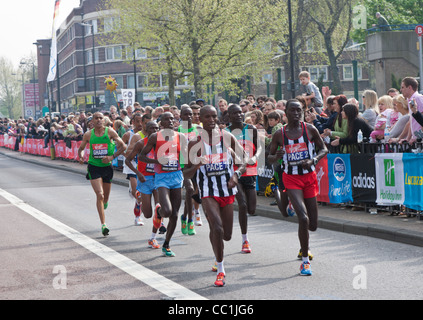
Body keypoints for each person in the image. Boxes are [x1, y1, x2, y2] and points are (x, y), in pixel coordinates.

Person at [184, 105, 247, 287]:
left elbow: (243, 161)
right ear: (200, 120)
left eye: (214, 116)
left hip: (227, 191)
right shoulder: (194, 143)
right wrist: (196, 166)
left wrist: (236, 175)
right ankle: (220, 269)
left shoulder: (227, 137)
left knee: (225, 235)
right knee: (217, 228)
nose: (211, 120)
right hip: (207, 191)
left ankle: (217, 248)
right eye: (207, 117)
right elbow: (185, 173)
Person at [268, 99, 328, 276]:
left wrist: (313, 160)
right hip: (291, 178)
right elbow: (269, 157)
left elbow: (323, 149)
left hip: (309, 177)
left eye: (299, 110)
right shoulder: (280, 134)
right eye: (292, 110)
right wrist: (276, 156)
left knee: (313, 225)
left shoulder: (310, 129)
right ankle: (304, 261)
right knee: (303, 218)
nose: (296, 113)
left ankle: (277, 193)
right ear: (285, 112)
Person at [139, 112, 186, 257]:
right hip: (161, 178)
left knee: (175, 214)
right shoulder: (155, 137)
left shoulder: (180, 136)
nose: (171, 121)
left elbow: (185, 158)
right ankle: (158, 213)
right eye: (167, 119)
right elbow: (141, 156)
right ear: (161, 123)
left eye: (172, 118)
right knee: (167, 210)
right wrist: (157, 161)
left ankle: (166, 244)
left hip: (177, 176)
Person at [78, 112, 126, 236]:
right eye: (96, 118)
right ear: (92, 121)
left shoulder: (110, 132)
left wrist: (111, 157)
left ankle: (105, 202)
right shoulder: (88, 134)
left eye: (101, 118)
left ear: (104, 120)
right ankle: (103, 224)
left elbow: (123, 146)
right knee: (99, 194)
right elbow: (81, 149)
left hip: (107, 167)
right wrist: (81, 157)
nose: (99, 120)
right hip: (94, 166)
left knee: (105, 198)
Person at [226, 104, 262, 254]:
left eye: (240, 112)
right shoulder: (226, 132)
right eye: (235, 113)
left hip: (250, 172)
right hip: (235, 173)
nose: (238, 115)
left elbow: (260, 147)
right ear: (229, 115)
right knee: (242, 204)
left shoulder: (251, 129)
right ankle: (244, 240)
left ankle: (244, 237)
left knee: (252, 209)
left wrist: (254, 157)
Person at [125, 121, 162, 249]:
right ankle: (138, 199)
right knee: (147, 214)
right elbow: (127, 160)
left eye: (157, 128)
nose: (154, 131)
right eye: (152, 128)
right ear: (146, 129)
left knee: (159, 209)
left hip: (158, 179)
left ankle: (153, 238)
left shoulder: (162, 144)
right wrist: (138, 173)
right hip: (144, 179)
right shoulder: (141, 143)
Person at [178, 106, 203, 235]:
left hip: (196, 165)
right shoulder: (176, 130)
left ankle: (184, 215)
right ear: (180, 116)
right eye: (186, 114)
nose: (188, 116)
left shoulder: (198, 129)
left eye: (190, 114)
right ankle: (189, 220)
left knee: (195, 192)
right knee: (189, 189)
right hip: (183, 166)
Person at [122, 112, 145, 226]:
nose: (140, 124)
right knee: (137, 193)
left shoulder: (148, 134)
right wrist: (126, 155)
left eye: (142, 121)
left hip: (144, 167)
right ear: (133, 122)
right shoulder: (128, 135)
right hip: (131, 166)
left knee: (139, 194)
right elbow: (120, 146)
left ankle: (138, 214)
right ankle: (137, 217)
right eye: (137, 121)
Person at [400, 77, 423, 143]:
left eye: (403, 87)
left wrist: (419, 137)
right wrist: (408, 138)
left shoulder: (418, 98)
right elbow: (412, 121)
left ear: (409, 87)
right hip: (416, 139)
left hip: (420, 139)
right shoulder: (409, 99)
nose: (401, 90)